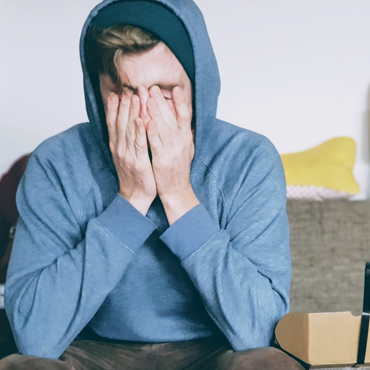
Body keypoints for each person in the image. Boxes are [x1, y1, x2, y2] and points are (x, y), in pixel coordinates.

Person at [0, 0, 305, 369]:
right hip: (94, 352)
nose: (145, 114)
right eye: (125, 91)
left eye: (164, 90)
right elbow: (34, 337)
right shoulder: (56, 162)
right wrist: (131, 200)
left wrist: (178, 195)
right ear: (98, 88)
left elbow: (261, 331)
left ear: (197, 83)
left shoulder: (249, 158)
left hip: (214, 353)